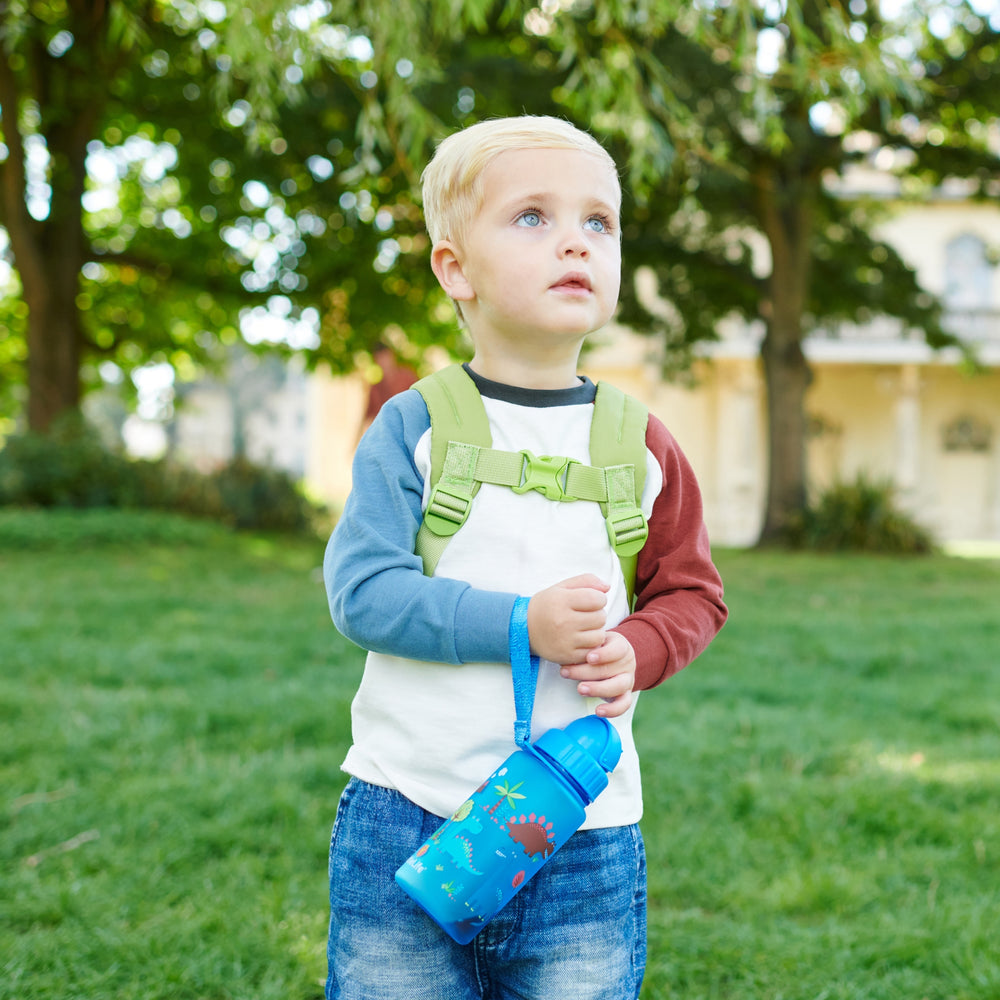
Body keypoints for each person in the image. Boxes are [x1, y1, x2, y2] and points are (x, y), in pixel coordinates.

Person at [322, 115, 728, 1000]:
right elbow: (363, 592)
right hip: (409, 810)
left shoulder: (641, 443)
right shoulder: (414, 425)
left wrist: (641, 648)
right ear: (455, 269)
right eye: (533, 217)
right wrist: (520, 624)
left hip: (584, 832)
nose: (575, 242)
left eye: (599, 221)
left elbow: (693, 593)